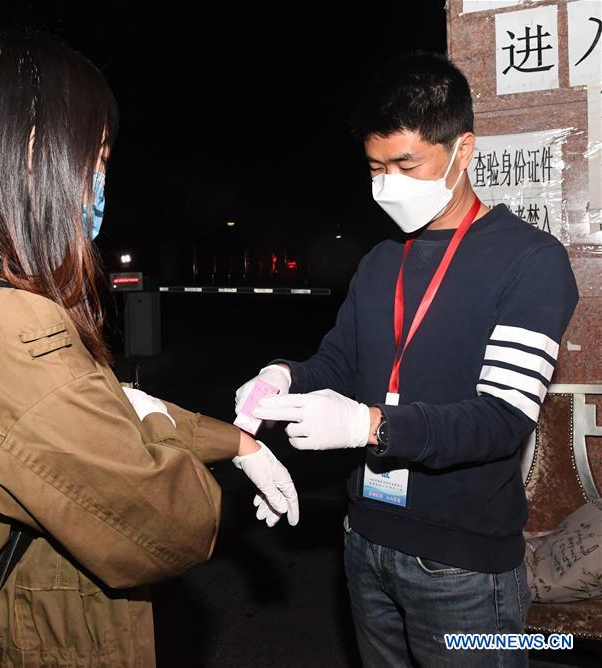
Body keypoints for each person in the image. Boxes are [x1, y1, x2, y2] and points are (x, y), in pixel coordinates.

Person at [0, 29, 299, 666]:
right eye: (95, 156)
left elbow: (95, 413)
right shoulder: (5, 328)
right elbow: (173, 525)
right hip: (49, 643)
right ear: (32, 149)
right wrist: (161, 430)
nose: (99, 180)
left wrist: (239, 443)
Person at [235, 52, 578, 667]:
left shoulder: (531, 261)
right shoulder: (380, 261)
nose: (388, 183)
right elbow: (339, 365)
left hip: (463, 568)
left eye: (406, 164)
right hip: (365, 542)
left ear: (463, 149)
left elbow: (503, 419)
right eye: (376, 167)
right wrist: (282, 376)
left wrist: (370, 425)